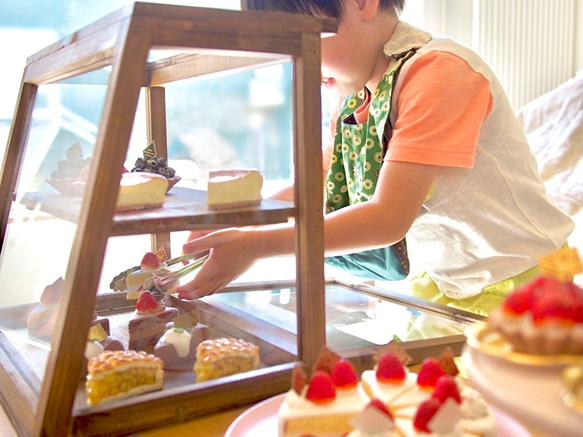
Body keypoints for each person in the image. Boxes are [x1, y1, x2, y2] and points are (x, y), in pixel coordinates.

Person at [176, 0, 574, 317]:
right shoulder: (358, 95)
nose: (298, 67)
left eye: (302, 42)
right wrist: (243, 218)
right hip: (450, 284)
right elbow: (324, 178)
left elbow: (387, 218)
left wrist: (256, 245)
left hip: (524, 282)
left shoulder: (440, 72)